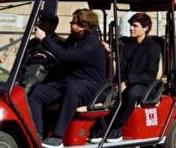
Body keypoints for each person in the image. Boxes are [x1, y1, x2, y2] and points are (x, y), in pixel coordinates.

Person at [27, 9, 106, 148]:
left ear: (83, 26)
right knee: (37, 92)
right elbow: (61, 50)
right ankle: (37, 133)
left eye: (74, 22)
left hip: (91, 86)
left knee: (72, 88)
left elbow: (66, 56)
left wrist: (44, 39)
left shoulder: (91, 44)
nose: (70, 23)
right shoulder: (75, 38)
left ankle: (57, 137)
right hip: (70, 81)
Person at [90, 13, 161, 143]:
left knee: (131, 93)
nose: (131, 28)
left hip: (143, 85)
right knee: (101, 91)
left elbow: (150, 74)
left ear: (145, 28)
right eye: (130, 26)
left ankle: (118, 127)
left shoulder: (153, 47)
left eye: (135, 26)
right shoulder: (127, 42)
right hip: (122, 82)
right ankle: (101, 126)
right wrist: (105, 45)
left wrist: (128, 82)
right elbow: (113, 45)